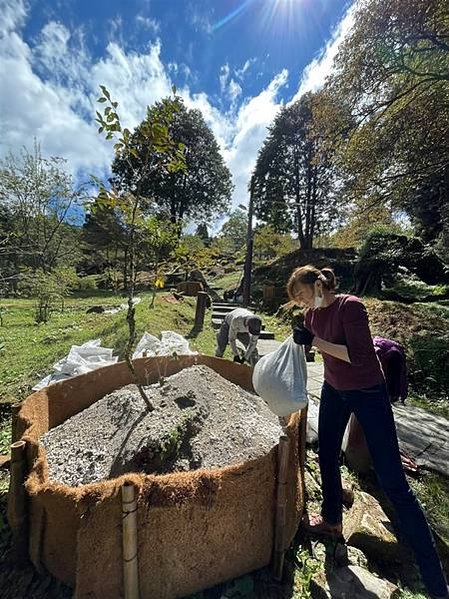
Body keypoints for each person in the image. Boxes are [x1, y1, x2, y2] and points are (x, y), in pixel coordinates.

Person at [287, 265, 448, 599]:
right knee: (327, 452)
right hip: (333, 388)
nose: (302, 303)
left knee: (392, 479)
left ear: (318, 285)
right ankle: (332, 522)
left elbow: (358, 357)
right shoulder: (312, 316)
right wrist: (300, 341)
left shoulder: (350, 306)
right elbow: (313, 350)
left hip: (367, 391)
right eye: (298, 301)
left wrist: (314, 340)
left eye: (302, 295)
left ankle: (435, 580)